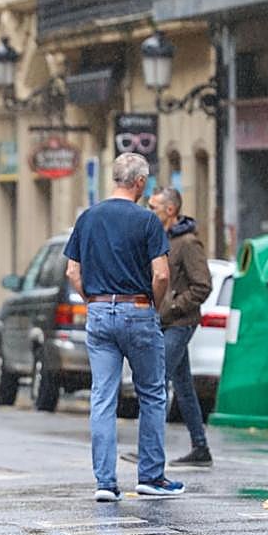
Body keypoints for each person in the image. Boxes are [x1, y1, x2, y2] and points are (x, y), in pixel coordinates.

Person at [65, 152, 184, 502]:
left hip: (100, 312)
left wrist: (93, 301)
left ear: (115, 178)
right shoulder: (147, 221)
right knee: (151, 393)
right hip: (138, 309)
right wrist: (153, 303)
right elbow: (161, 273)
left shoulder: (88, 218)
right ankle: (150, 476)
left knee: (102, 397)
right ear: (140, 183)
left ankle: (105, 483)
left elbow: (73, 272)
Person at [148, 186, 214, 467]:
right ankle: (200, 448)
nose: (149, 211)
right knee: (183, 386)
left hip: (180, 322)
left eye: (154, 207)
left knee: (156, 380)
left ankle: (149, 450)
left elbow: (203, 285)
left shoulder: (187, 243)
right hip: (163, 322)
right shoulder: (159, 239)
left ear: (170, 210)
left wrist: (173, 307)